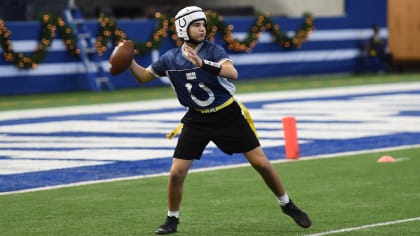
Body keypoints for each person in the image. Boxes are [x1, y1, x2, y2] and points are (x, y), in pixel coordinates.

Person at [128, 6, 312, 234]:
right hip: (196, 119)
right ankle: (171, 220)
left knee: (261, 164)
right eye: (196, 24)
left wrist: (202, 64)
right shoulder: (170, 58)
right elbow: (143, 76)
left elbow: (232, 72)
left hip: (227, 114)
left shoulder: (212, 50)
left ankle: (287, 204)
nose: (202, 29)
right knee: (176, 172)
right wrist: (128, 60)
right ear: (183, 27)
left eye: (203, 24)